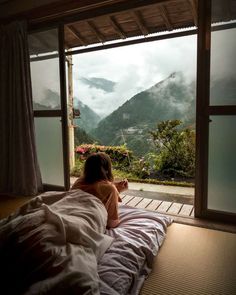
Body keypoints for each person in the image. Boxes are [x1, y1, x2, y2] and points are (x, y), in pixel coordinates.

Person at [71, 152, 128, 228]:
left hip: (69, 215)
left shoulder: (79, 182)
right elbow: (112, 223)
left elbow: (91, 194)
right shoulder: (110, 189)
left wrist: (114, 190)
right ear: (107, 169)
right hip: (84, 226)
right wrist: (114, 190)